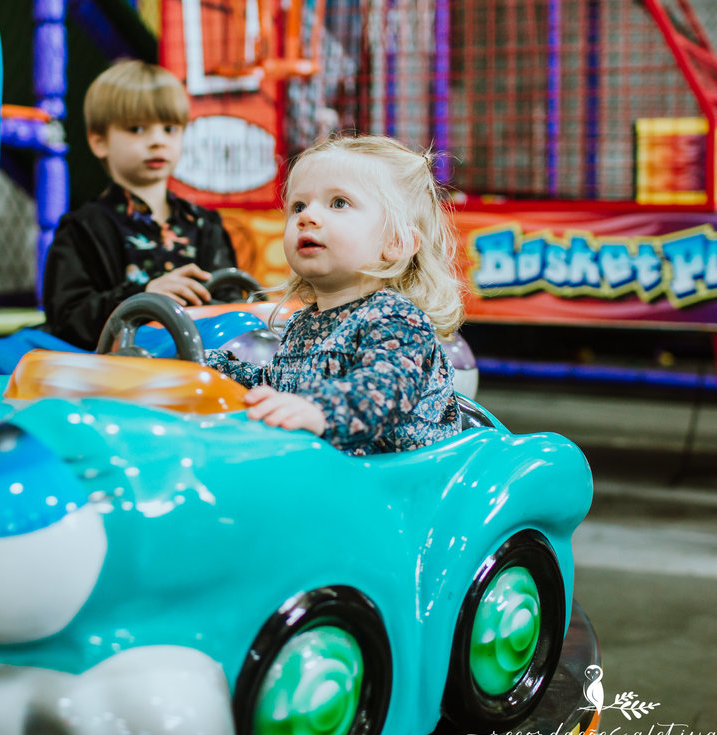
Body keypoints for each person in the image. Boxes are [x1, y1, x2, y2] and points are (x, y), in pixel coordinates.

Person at [205, 135, 465, 456]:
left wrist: (320, 411)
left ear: (396, 242)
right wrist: (207, 366)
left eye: (338, 203)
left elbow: (383, 390)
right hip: (330, 471)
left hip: (402, 478)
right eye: (298, 206)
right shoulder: (303, 323)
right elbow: (275, 385)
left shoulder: (397, 320)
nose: (306, 217)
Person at [42, 60, 238, 350]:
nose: (157, 141)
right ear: (99, 141)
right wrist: (143, 295)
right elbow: (67, 318)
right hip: (121, 368)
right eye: (137, 129)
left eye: (169, 129)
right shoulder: (82, 228)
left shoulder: (206, 225)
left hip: (198, 362)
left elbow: (232, 305)